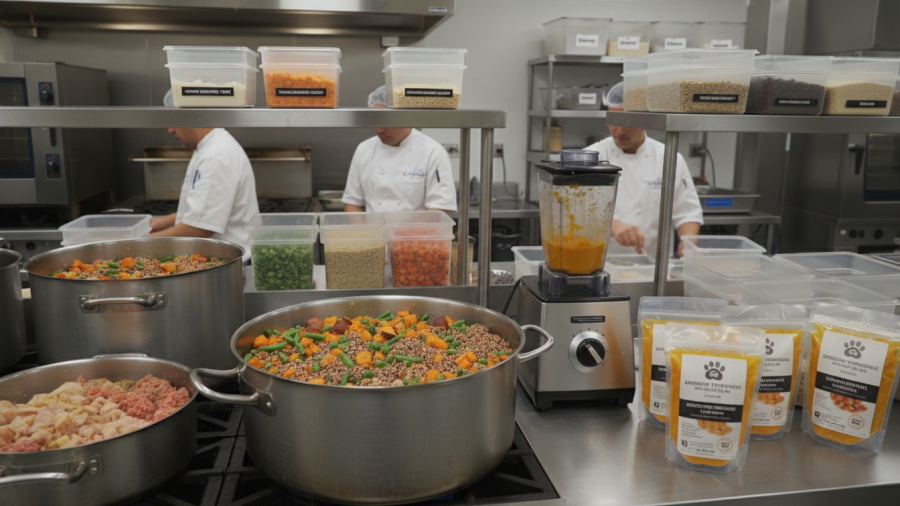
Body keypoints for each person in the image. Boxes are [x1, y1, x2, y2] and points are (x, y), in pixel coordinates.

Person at [585, 82, 703, 257]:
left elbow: (687, 213)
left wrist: (689, 244)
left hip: (653, 269)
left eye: (628, 122)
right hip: (599, 265)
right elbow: (572, 214)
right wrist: (613, 225)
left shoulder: (669, 158)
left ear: (647, 120)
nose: (619, 130)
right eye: (614, 121)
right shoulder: (590, 158)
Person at [150, 90, 259, 256]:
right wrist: (163, 222)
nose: (170, 130)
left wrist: (141, 244)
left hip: (227, 266)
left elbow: (200, 229)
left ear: (191, 116)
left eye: (173, 121)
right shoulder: (208, 148)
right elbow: (204, 212)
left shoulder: (216, 156)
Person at [342, 86, 457, 213]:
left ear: (405, 117)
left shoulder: (432, 151)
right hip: (375, 230)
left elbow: (441, 208)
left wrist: (405, 233)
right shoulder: (364, 149)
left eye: (386, 121)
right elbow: (352, 204)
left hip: (417, 231)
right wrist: (365, 232)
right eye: (375, 120)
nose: (379, 129)